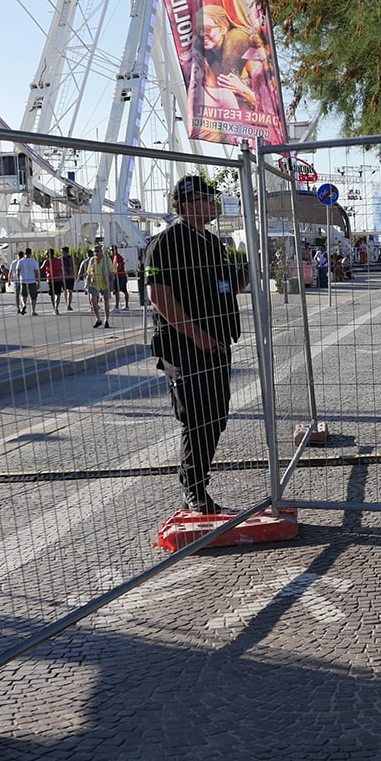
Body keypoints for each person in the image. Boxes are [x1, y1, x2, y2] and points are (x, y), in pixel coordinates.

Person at [146, 174, 247, 514]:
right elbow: (158, 294)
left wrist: (252, 262)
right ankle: (194, 490)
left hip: (216, 343)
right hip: (185, 346)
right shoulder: (166, 243)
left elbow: (229, 286)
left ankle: (198, 483)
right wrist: (197, 336)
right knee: (198, 415)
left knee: (216, 415)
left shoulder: (212, 242)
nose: (213, 203)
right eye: (206, 199)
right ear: (187, 204)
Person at [79, 245, 113, 328]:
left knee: (106, 301)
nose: (96, 253)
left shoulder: (106, 259)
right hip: (94, 282)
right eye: (95, 251)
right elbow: (89, 272)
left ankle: (106, 320)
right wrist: (87, 284)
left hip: (105, 282)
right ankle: (98, 319)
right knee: (93, 300)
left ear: (101, 251)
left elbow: (112, 272)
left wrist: (111, 283)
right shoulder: (92, 260)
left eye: (97, 251)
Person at [18, 248, 41, 315]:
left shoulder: (20, 261)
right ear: (30, 253)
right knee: (33, 296)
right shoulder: (34, 262)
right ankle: (33, 310)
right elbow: (36, 272)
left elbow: (17, 271)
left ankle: (24, 304)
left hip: (23, 280)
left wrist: (19, 279)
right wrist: (38, 281)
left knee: (23, 295)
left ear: (25, 253)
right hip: (32, 281)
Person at [109, 245, 130, 310]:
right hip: (121, 276)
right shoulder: (115, 257)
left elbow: (119, 266)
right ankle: (126, 306)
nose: (111, 251)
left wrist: (113, 271)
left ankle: (117, 306)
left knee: (117, 291)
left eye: (112, 250)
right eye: (111, 250)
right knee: (124, 291)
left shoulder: (118, 257)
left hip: (119, 276)